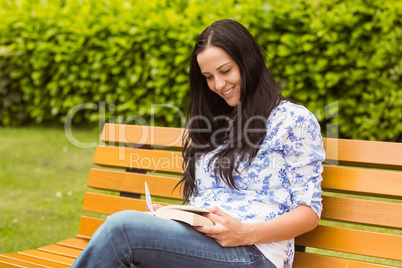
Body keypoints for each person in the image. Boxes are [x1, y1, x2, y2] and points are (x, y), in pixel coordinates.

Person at [71, 19, 325, 268]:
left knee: (122, 230)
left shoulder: (293, 120)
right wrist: (175, 218)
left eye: (225, 71)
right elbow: (210, 199)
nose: (218, 85)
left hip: (254, 252)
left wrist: (244, 233)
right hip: (203, 245)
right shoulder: (214, 123)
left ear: (249, 62)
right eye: (208, 76)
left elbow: (309, 213)